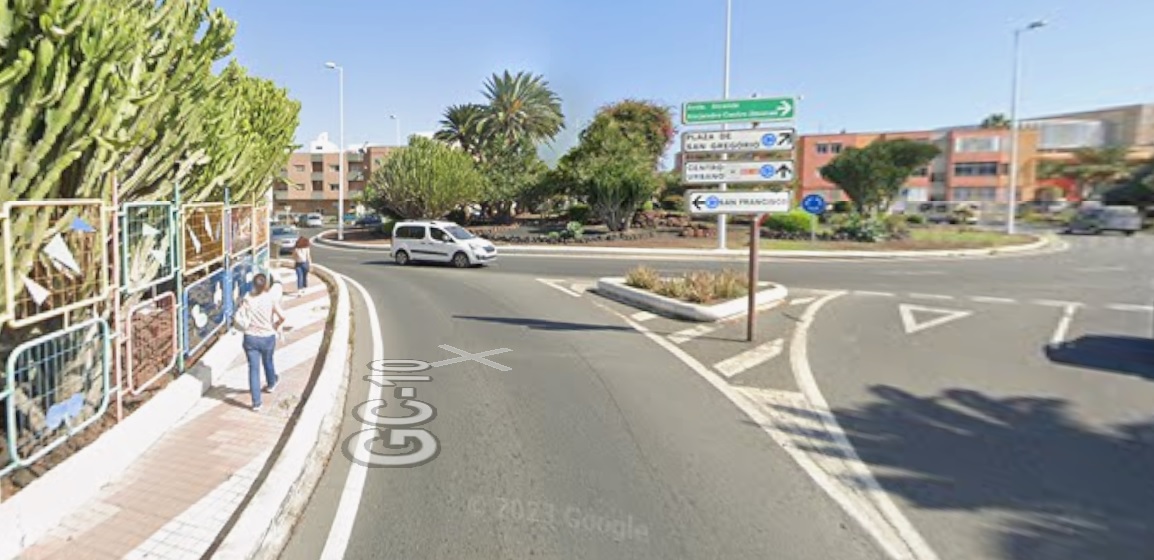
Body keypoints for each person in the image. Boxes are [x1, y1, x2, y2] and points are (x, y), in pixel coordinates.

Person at [236, 273, 285, 412]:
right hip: (267, 336)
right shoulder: (271, 298)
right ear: (266, 285)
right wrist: (276, 325)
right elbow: (283, 316)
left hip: (250, 338)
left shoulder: (247, 298)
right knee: (268, 361)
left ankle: (256, 403)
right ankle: (271, 383)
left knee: (253, 369)